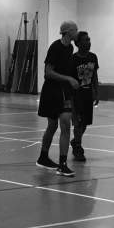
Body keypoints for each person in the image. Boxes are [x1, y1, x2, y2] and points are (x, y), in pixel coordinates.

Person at [36, 21, 79, 177]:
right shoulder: (56, 47)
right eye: (75, 30)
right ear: (68, 32)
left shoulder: (70, 48)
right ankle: (43, 157)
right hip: (52, 91)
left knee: (65, 125)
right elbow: (48, 72)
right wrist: (68, 79)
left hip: (64, 91)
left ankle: (62, 164)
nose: (77, 33)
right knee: (52, 126)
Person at [70, 31, 99, 161]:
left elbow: (94, 76)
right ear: (78, 43)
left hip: (88, 94)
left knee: (85, 123)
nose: (89, 42)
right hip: (76, 95)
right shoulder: (73, 59)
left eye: (89, 39)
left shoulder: (93, 57)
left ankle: (75, 140)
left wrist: (96, 92)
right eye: (86, 40)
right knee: (78, 123)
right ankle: (78, 147)